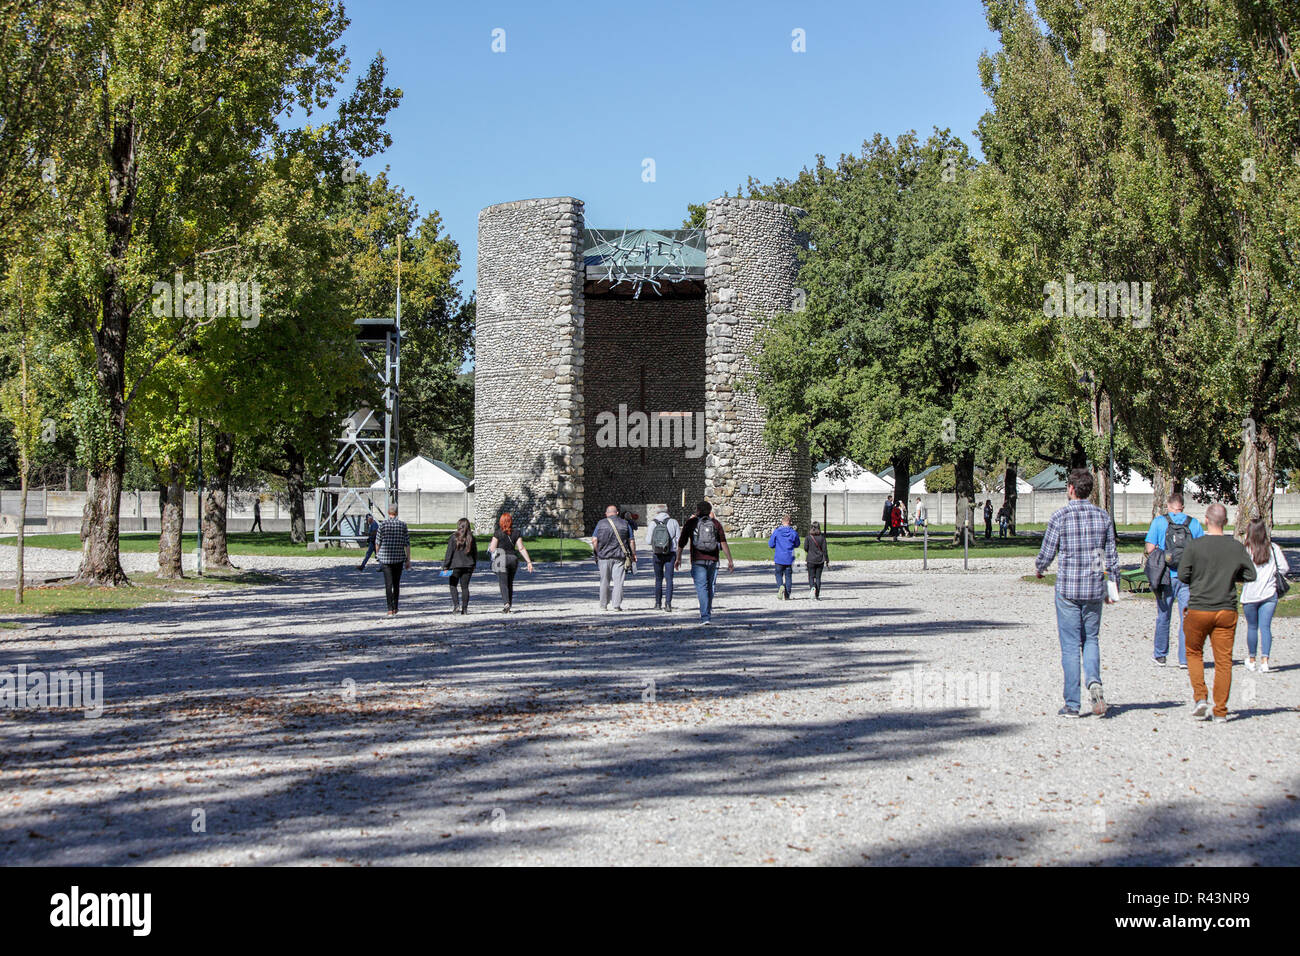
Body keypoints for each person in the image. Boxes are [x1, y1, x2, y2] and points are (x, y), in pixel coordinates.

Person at [1034, 468, 1119, 718]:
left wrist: (1040, 567)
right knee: (1091, 639)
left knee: (1070, 646)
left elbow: (1048, 551)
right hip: (1093, 587)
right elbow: (1111, 557)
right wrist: (1111, 587)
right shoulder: (1103, 518)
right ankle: (1094, 682)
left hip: (1069, 588)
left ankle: (1072, 704)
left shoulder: (1060, 516)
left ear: (1071, 488)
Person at [1178, 503, 1256, 722]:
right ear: (1226, 522)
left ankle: (1200, 698)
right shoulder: (1236, 546)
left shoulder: (1195, 546)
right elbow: (1251, 575)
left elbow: (1183, 575)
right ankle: (1221, 710)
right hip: (1226, 608)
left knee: (1194, 652)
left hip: (1199, 607)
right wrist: (1231, 577)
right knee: (1224, 661)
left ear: (1206, 520)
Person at [1144, 492, 1204, 668]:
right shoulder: (1194, 524)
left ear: (1169, 506)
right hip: (1187, 577)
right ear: (1182, 507)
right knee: (1187, 617)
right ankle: (1184, 659)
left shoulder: (1159, 522)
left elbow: (1149, 548)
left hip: (1165, 576)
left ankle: (1160, 655)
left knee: (1163, 616)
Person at [1241, 518, 1288, 673]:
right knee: (1266, 628)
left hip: (1250, 595)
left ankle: (1252, 659)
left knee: (1252, 627)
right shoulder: (1273, 548)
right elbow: (1284, 568)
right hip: (1269, 593)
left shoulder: (1246, 550)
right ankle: (1265, 661)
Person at [677, 501, 735, 624]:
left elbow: (682, 541)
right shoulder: (715, 523)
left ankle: (705, 616)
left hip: (698, 559)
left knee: (702, 587)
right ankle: (707, 611)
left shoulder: (691, 523)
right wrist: (730, 560)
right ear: (710, 511)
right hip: (713, 559)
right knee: (710, 587)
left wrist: (678, 557)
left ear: (697, 510)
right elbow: (723, 542)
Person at [591, 505, 635, 611]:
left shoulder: (600, 523)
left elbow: (594, 540)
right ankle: (616, 605)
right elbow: (631, 541)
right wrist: (633, 554)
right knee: (618, 581)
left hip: (604, 557)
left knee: (604, 581)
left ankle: (603, 605)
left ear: (606, 514)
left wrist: (597, 553)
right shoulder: (625, 524)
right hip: (619, 556)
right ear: (617, 513)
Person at [488, 512, 533, 613]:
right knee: (510, 582)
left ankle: (506, 603)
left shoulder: (497, 533)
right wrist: (528, 562)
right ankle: (509, 604)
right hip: (513, 559)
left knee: (503, 582)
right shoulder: (516, 533)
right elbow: (521, 548)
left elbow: (492, 548)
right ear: (510, 522)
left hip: (501, 559)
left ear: (501, 522)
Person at [375, 505, 411, 617]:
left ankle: (389, 608)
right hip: (399, 558)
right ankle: (396, 607)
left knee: (388, 584)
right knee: (396, 584)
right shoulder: (403, 525)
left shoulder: (382, 525)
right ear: (397, 513)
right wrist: (408, 559)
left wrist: (377, 554)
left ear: (388, 512)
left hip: (385, 559)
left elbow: (378, 542)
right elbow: (407, 544)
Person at [645, 507, 681, 611]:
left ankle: (657, 603)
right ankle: (668, 604)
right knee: (669, 579)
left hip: (657, 553)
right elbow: (679, 539)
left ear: (657, 512)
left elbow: (648, 541)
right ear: (667, 512)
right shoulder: (674, 522)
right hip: (670, 553)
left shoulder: (653, 523)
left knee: (658, 579)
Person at [441, 517, 478, 614]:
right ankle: (464, 609)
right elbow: (475, 553)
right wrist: (474, 564)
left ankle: (456, 605)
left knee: (453, 585)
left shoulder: (453, 537)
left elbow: (449, 553)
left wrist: (445, 566)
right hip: (468, 565)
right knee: (465, 587)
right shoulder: (471, 538)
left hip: (455, 565)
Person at [768, 514, 800, 600]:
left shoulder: (777, 531)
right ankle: (787, 594)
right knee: (788, 576)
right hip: (789, 558)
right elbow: (797, 544)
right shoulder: (794, 533)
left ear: (782, 522)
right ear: (790, 522)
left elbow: (771, 544)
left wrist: (776, 544)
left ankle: (780, 587)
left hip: (779, 557)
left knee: (778, 574)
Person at [805, 521, 830, 599]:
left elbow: (806, 548)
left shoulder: (808, 537)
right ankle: (817, 594)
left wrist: (810, 551)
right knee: (818, 578)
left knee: (811, 576)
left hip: (811, 559)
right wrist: (827, 559)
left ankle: (812, 588)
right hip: (820, 560)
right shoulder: (822, 538)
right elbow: (825, 550)